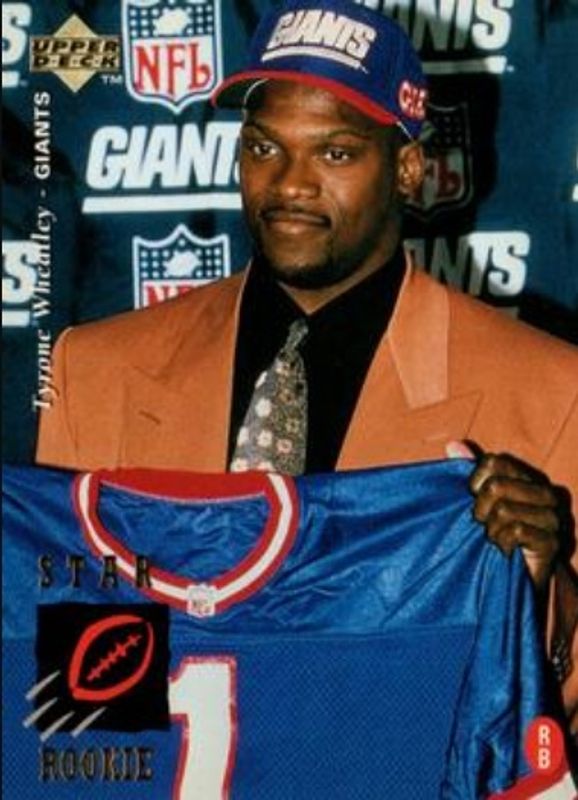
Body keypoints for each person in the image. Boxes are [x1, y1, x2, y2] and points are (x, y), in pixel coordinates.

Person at [37, 0, 577, 724]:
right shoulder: (93, 371)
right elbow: (74, 702)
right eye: (264, 148)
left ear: (408, 170)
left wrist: (537, 587)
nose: (290, 184)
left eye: (335, 153)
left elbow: (552, 724)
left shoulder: (549, 390)